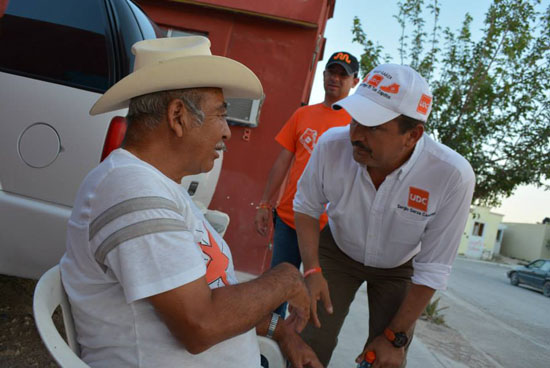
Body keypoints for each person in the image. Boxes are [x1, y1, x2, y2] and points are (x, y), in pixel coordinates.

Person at [60, 36, 321, 368]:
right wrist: (284, 278)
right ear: (178, 116)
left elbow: (204, 291)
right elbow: (201, 324)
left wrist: (280, 330)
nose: (227, 132)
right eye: (220, 115)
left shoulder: (155, 186)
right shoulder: (131, 188)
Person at [293, 63, 476, 367]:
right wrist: (312, 271)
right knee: (308, 342)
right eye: (355, 120)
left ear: (413, 135)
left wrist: (395, 336)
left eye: (374, 127)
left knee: (385, 358)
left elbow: (433, 267)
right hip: (337, 251)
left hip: (400, 266)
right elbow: (307, 207)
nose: (356, 135)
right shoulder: (330, 146)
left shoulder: (452, 176)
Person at [255, 52, 359, 316]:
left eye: (342, 75)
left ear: (354, 82)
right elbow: (282, 163)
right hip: (290, 219)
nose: (334, 78)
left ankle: (297, 354)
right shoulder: (303, 115)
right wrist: (265, 203)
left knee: (316, 300)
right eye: (330, 72)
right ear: (323, 75)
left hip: (330, 230)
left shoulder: (357, 124)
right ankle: (266, 353)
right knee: (278, 287)